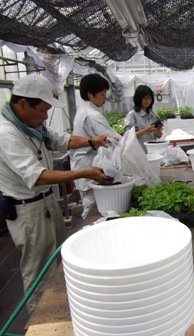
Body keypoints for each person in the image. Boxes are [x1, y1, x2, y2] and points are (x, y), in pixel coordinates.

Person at [0, 73, 113, 313]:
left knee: (57, 262)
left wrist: (93, 140)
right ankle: (40, 321)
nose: (45, 117)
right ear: (21, 104)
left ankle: (61, 312)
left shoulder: (32, 126)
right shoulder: (6, 134)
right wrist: (84, 172)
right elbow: (37, 175)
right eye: (42, 111)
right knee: (38, 270)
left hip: (46, 202)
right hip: (28, 210)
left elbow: (61, 139)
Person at [70, 73, 121, 216]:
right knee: (97, 207)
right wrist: (128, 140)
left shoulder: (83, 110)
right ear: (90, 94)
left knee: (91, 202)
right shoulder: (93, 115)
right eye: (102, 94)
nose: (105, 97)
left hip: (83, 162)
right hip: (88, 164)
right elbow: (113, 139)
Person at [124, 84, 163, 152]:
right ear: (138, 98)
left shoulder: (154, 115)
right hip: (139, 153)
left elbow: (158, 136)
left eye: (149, 98)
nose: (148, 101)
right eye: (145, 98)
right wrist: (146, 130)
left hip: (152, 151)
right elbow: (130, 136)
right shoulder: (132, 115)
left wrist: (158, 129)